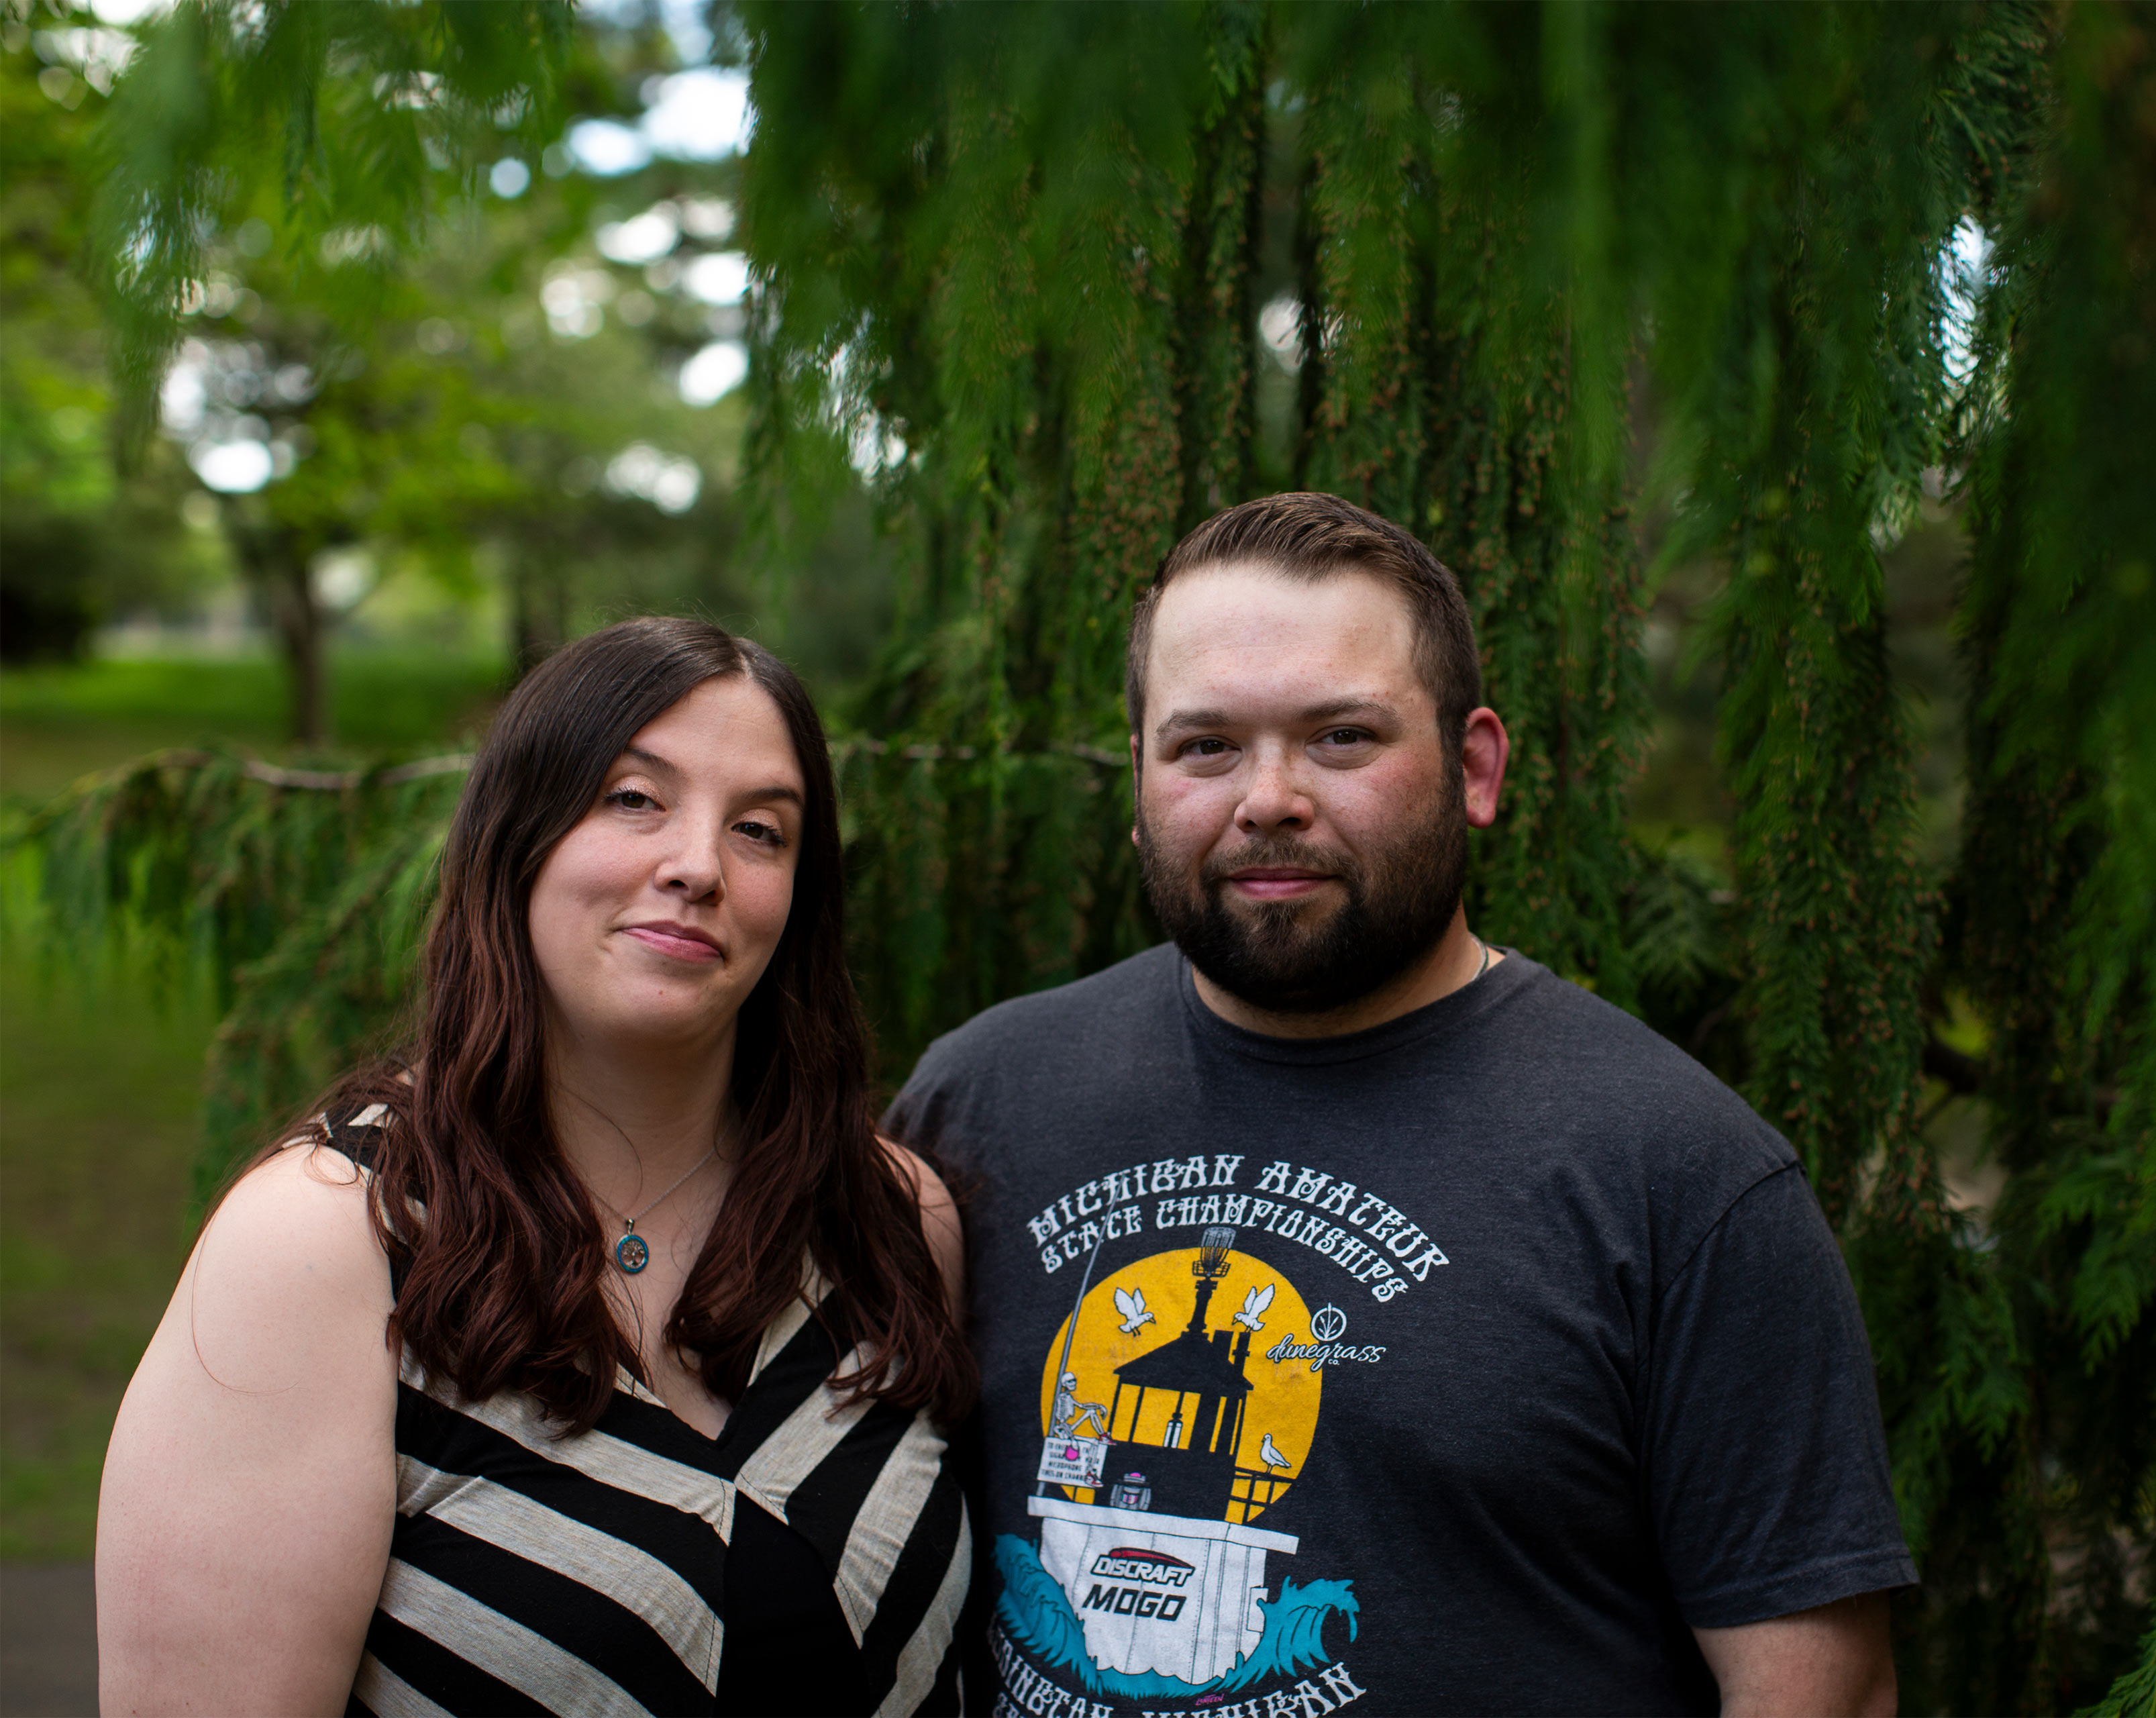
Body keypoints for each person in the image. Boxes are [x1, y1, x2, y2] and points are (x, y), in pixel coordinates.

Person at [884, 493, 1916, 1717]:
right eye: (1205, 745)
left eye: (1341, 738)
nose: (1267, 797)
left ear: (1475, 768)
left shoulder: (1679, 1175)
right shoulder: (980, 1099)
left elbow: (1820, 1693)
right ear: (1141, 785)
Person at [97, 617, 977, 1717]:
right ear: (519, 835)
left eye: (760, 831)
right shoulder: (331, 1246)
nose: (699, 866)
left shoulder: (889, 1222)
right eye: (633, 799)